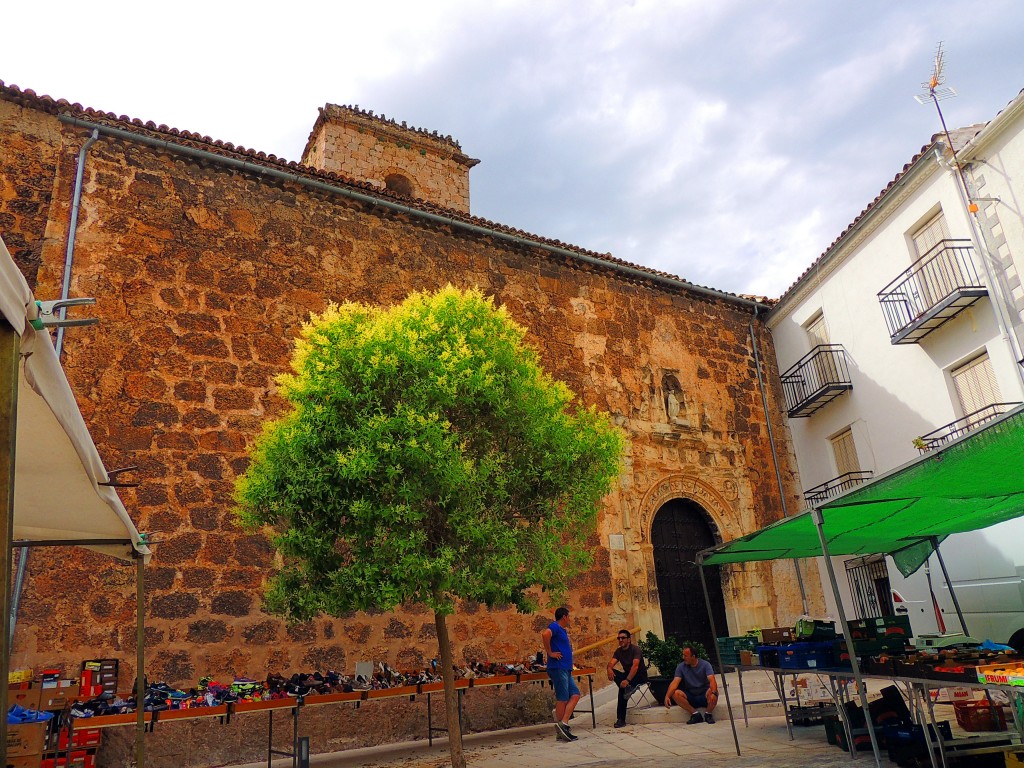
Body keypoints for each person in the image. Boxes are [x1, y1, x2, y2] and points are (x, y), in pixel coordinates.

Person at [541, 606, 580, 742]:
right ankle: (562, 727)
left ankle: (563, 723)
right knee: (562, 698)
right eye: (568, 616)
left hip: (565, 668)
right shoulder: (555, 627)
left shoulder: (561, 630)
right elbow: (545, 634)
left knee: (575, 694)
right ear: (564, 616)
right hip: (558, 668)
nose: (569, 619)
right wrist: (550, 653)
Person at [665, 645, 718, 724]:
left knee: (714, 691)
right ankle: (695, 714)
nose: (683, 658)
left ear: (693, 656)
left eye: (686, 656)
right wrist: (667, 696)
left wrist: (714, 692)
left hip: (704, 694)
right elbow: (675, 682)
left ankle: (708, 714)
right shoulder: (681, 667)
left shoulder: (705, 665)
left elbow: (712, 680)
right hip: (691, 694)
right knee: (675, 693)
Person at [606, 628, 647, 728]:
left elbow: (635, 666)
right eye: (618, 638)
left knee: (622, 689)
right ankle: (627, 687)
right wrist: (609, 669)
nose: (620, 640)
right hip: (628, 675)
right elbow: (611, 663)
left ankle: (621, 719)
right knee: (621, 684)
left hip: (639, 676)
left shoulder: (635, 649)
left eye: (623, 638)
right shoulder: (618, 651)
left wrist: (627, 680)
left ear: (629, 639)